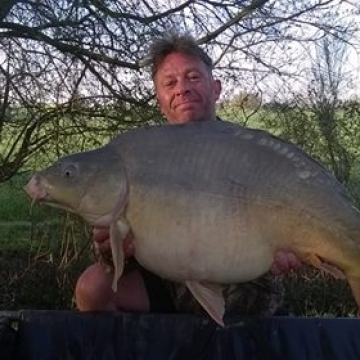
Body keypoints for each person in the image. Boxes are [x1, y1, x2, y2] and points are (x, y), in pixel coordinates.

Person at [75, 32, 302, 318]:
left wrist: (286, 252)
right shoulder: (143, 155)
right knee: (92, 288)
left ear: (216, 88)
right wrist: (112, 248)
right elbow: (118, 254)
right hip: (169, 285)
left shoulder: (248, 152)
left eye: (193, 77)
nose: (182, 88)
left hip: (244, 287)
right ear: (160, 100)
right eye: (170, 83)